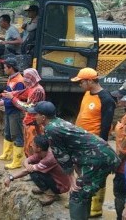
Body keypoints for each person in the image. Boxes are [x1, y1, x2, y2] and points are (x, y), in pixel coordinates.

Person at [29, 101, 120, 220]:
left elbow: (62, 157)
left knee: (77, 194)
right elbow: (71, 152)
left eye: (36, 114)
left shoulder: (51, 129)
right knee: (84, 192)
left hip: (98, 158)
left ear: (43, 117)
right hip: (102, 155)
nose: (34, 116)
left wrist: (72, 179)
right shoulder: (58, 122)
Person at [71, 67, 116, 217]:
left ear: (90, 81)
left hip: (94, 144)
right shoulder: (87, 93)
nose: (79, 85)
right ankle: (82, 199)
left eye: (81, 82)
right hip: (81, 141)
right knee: (82, 170)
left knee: (97, 174)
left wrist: (101, 145)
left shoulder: (106, 99)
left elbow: (106, 125)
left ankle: (96, 208)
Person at [4, 135, 71, 206]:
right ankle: (45, 188)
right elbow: (26, 161)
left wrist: (11, 178)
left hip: (60, 186)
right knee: (32, 167)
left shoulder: (49, 159)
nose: (31, 145)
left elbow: (27, 171)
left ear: (39, 148)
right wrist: (27, 166)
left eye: (33, 144)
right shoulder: (42, 153)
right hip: (54, 178)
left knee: (34, 173)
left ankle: (51, 194)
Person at [0, 58, 25, 169]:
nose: (3, 69)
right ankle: (6, 154)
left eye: (5, 67)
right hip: (9, 111)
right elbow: (8, 94)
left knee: (17, 135)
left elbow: (15, 99)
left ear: (11, 68)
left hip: (15, 112)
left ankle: (17, 162)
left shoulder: (19, 82)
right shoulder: (11, 78)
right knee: (8, 133)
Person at [2, 68, 46, 157]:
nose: (24, 80)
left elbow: (29, 108)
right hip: (29, 122)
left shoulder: (37, 91)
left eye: (26, 78)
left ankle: (32, 165)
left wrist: (12, 98)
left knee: (33, 146)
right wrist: (1, 94)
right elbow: (19, 93)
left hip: (35, 124)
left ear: (30, 78)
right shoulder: (32, 88)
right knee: (28, 145)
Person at [111, 82, 126, 220]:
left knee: (120, 193)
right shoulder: (124, 117)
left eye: (120, 97)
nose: (117, 100)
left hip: (123, 168)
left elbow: (124, 148)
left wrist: (116, 163)